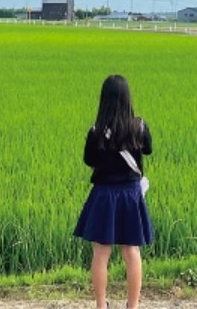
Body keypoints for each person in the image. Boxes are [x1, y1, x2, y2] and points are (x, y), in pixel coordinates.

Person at [74, 74, 154, 309]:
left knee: (101, 253)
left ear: (104, 99)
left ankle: (101, 305)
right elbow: (148, 149)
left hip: (104, 195)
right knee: (131, 251)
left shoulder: (96, 131)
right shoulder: (139, 126)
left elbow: (89, 160)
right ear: (128, 99)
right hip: (130, 195)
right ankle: (133, 305)